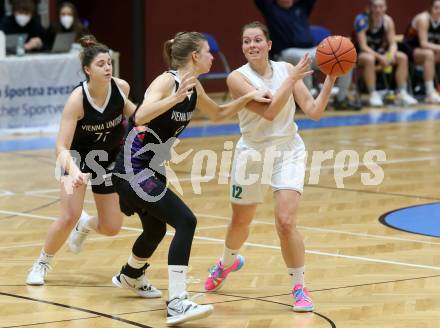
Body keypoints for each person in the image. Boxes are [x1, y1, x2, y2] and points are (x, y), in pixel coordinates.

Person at [111, 31, 271, 326]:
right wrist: (174, 98)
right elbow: (142, 114)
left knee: (156, 229)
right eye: (209, 51)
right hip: (133, 168)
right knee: (186, 220)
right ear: (195, 56)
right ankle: (177, 302)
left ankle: (130, 274)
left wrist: (248, 96)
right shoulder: (167, 81)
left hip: (150, 168)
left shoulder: (194, 85)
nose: (213, 56)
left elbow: (219, 113)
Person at [204, 21, 337, 313]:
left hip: (288, 150)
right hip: (252, 153)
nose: (251, 45)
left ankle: (299, 286)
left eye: (257, 40)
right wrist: (292, 79)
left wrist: (329, 80)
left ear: (268, 44)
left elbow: (313, 112)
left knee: (286, 221)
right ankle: (227, 262)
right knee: (241, 221)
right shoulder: (237, 78)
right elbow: (270, 112)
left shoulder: (287, 70)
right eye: (246, 41)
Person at [26, 35, 136, 286]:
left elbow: (135, 114)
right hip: (74, 160)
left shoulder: (121, 88)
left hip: (107, 160)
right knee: (68, 216)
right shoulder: (77, 100)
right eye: (101, 64)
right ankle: (42, 262)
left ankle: (86, 224)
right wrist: (74, 171)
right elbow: (61, 146)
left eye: (109, 63)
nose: (107, 67)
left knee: (111, 228)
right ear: (88, 70)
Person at [254, 0, 360, 110]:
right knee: (304, 58)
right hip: (285, 52)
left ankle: (341, 99)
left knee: (344, 56)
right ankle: (308, 103)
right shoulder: (271, 9)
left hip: (310, 49)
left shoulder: (301, 7)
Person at [354, 0, 419, 107]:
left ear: (385, 7)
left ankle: (402, 92)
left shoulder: (388, 20)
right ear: (370, 7)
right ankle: (372, 93)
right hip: (361, 54)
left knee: (402, 57)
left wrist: (391, 55)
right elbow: (363, 46)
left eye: (381, 6)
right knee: (369, 58)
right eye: (375, 7)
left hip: (379, 54)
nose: (378, 10)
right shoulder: (361, 20)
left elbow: (393, 43)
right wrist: (381, 58)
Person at [402, 0, 440, 104]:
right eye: (436, 8)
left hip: (427, 50)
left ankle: (437, 88)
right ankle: (430, 92)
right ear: (430, 8)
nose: (438, 11)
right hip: (409, 49)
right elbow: (423, 43)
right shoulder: (423, 19)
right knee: (429, 55)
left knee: (430, 54)